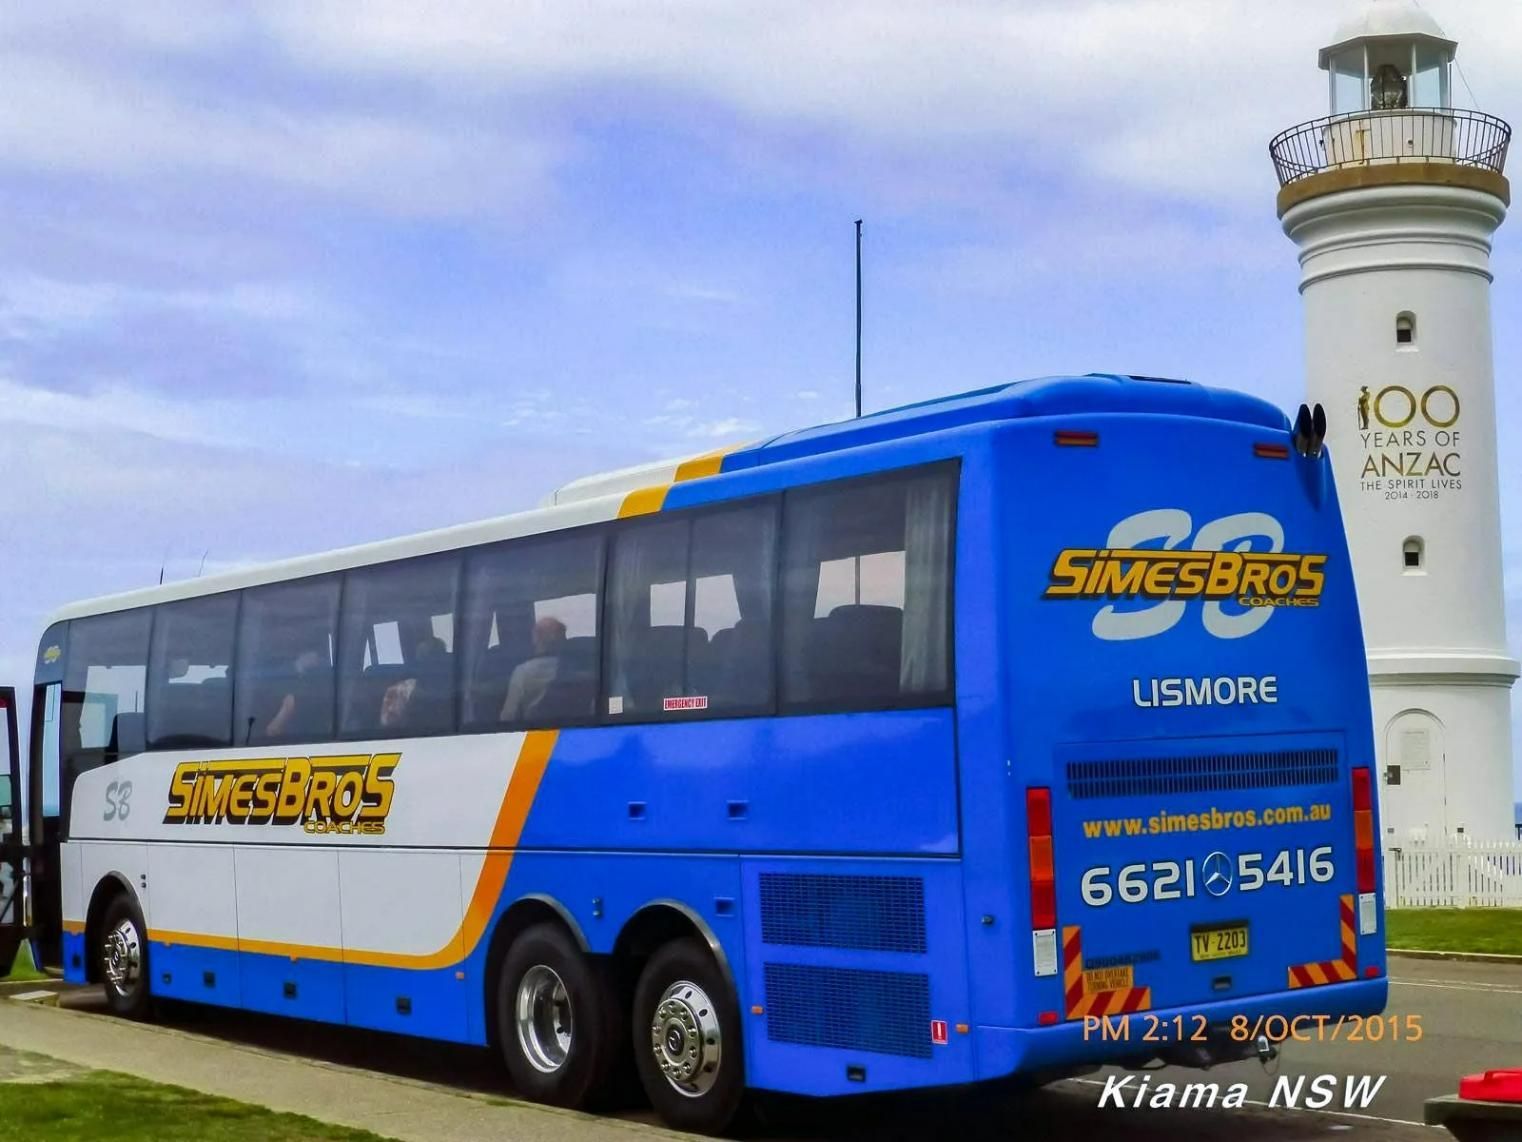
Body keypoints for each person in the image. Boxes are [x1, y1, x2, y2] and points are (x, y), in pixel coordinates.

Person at [500, 616, 567, 722]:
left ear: (536, 639)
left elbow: (508, 715)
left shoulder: (523, 672)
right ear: (563, 639)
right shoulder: (570, 668)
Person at [264, 648, 326, 739]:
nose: (317, 660)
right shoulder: (284, 674)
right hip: (286, 736)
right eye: (315, 656)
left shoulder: (316, 677)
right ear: (304, 655)